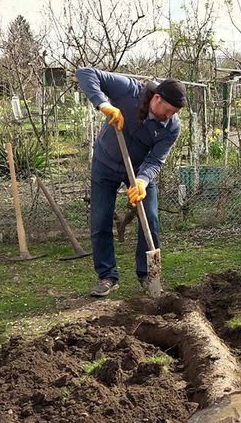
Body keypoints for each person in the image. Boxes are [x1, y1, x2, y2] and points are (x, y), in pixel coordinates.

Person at [75, 67, 186, 297]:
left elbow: (156, 159)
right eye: (167, 110)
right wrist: (103, 104)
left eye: (174, 112)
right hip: (105, 163)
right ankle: (107, 276)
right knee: (101, 218)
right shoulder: (129, 90)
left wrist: (143, 181)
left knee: (151, 218)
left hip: (138, 171)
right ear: (157, 98)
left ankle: (147, 276)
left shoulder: (172, 127)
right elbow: (85, 73)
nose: (169, 116)